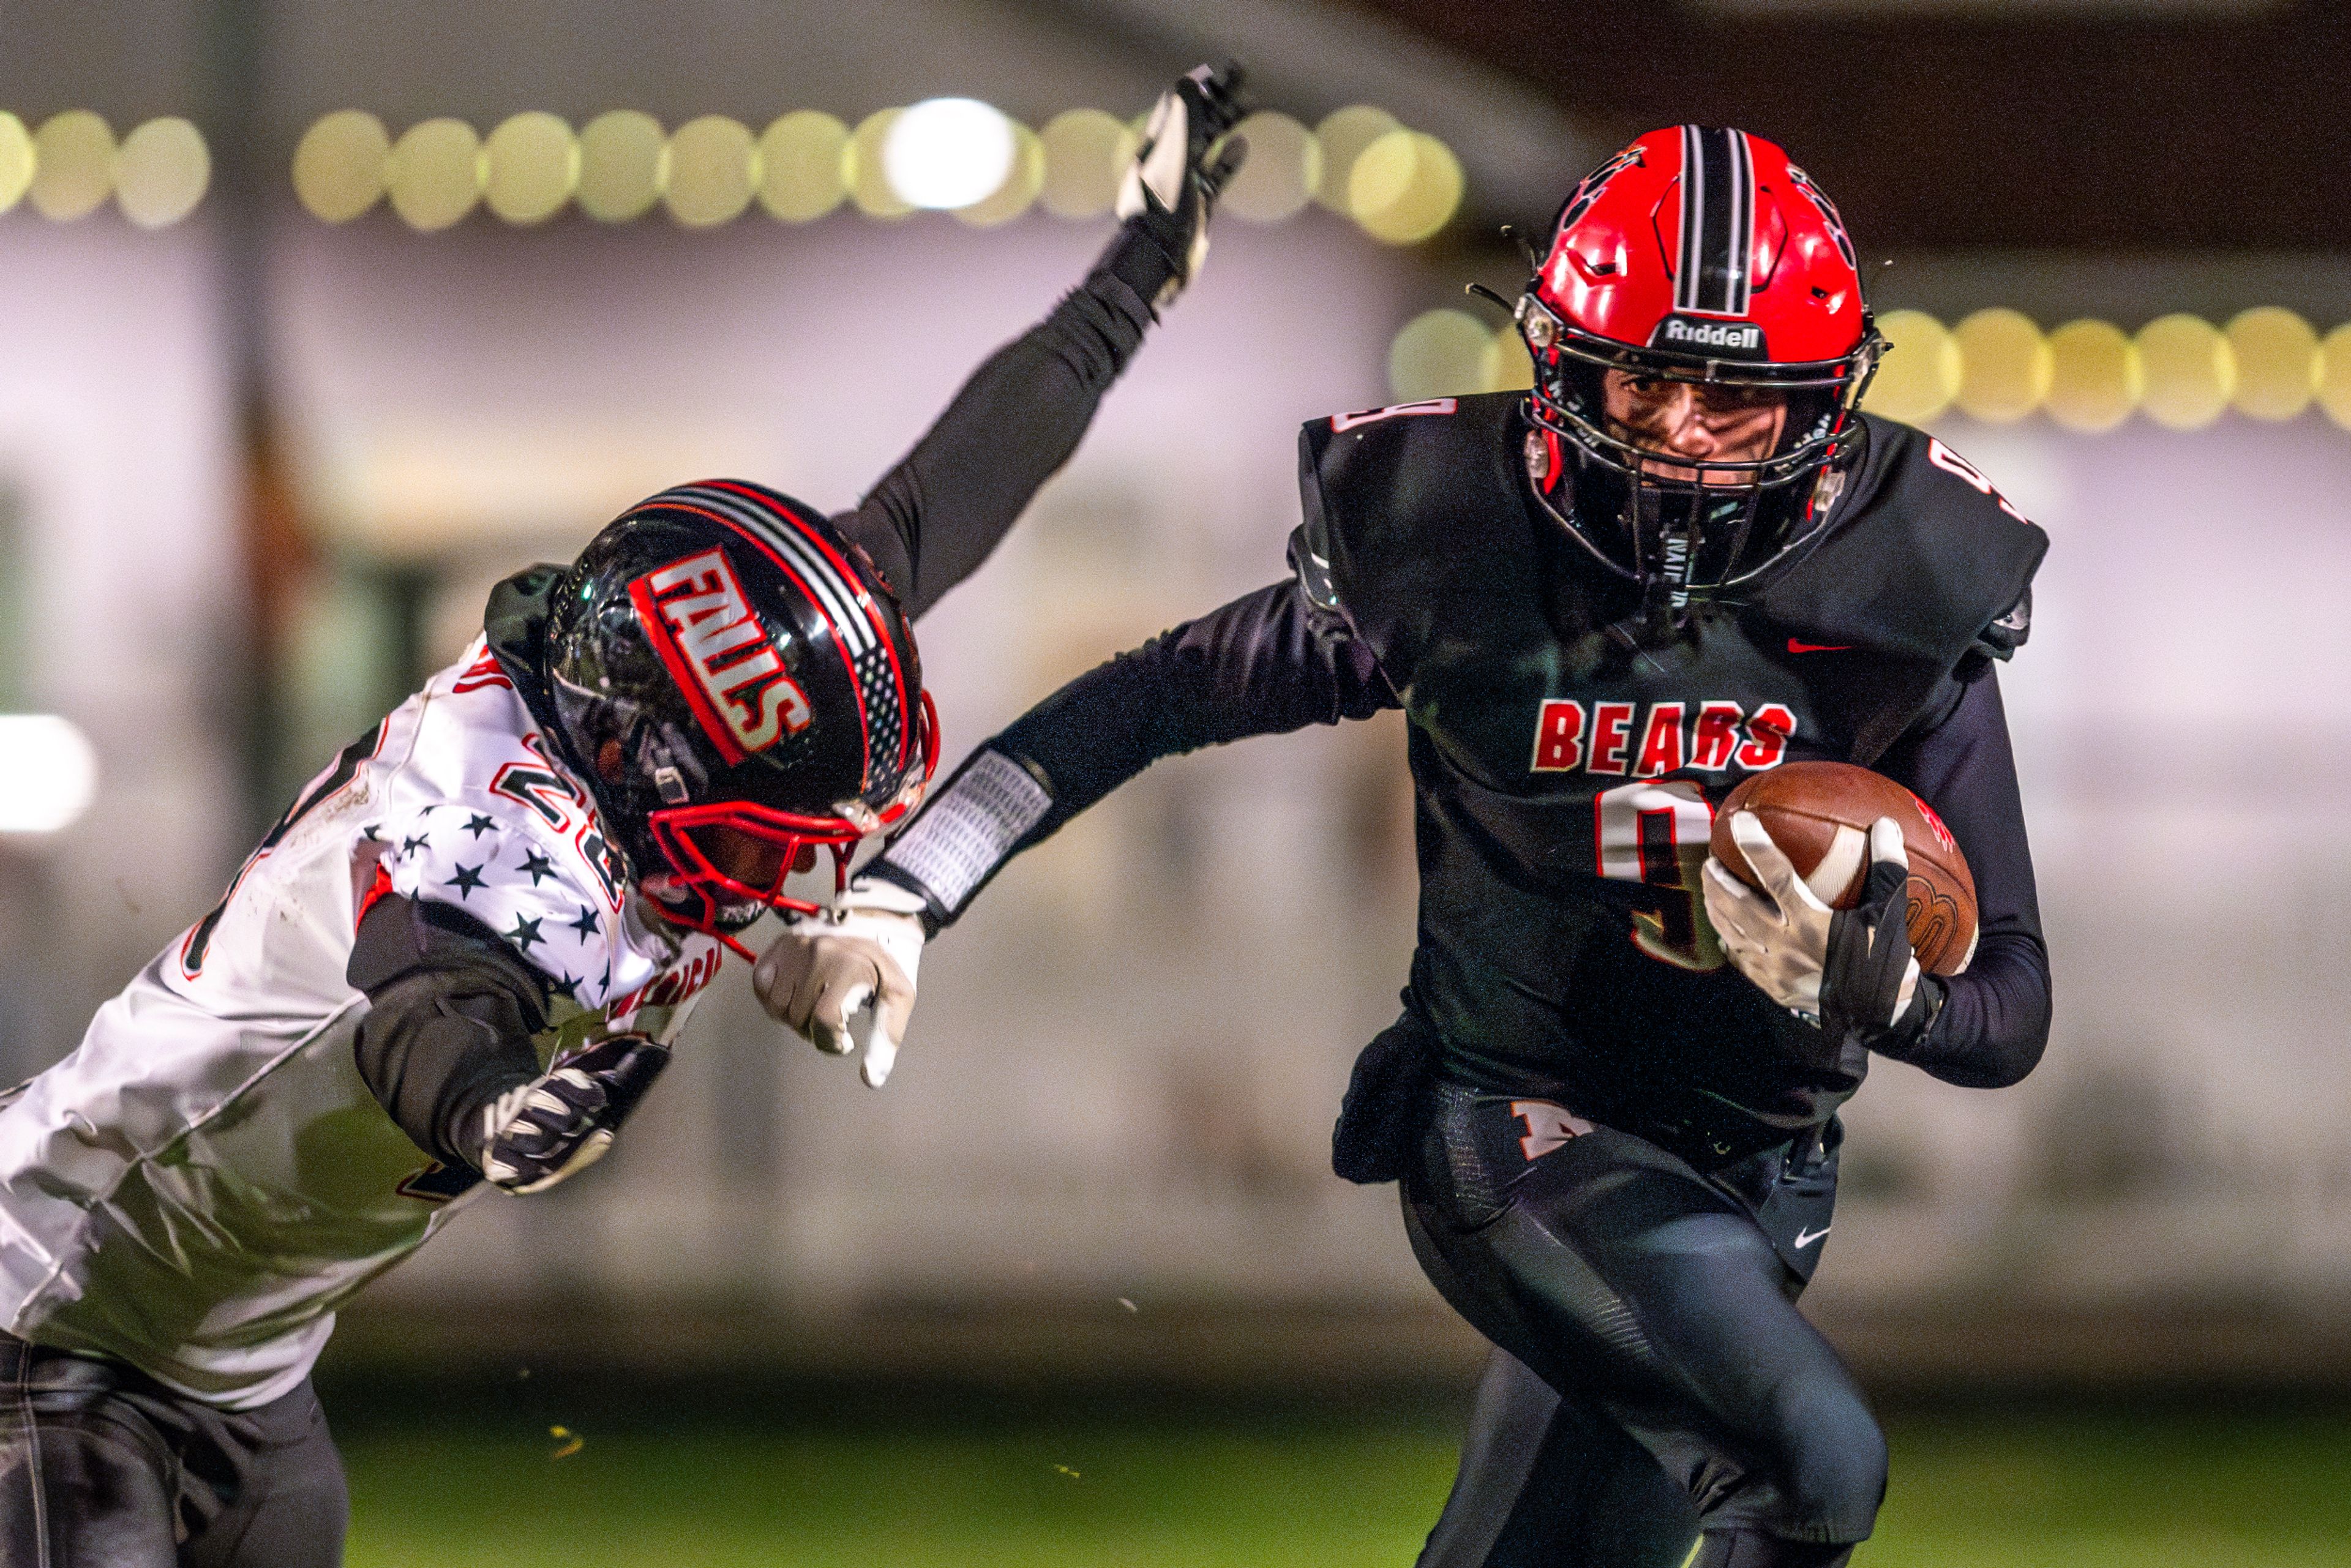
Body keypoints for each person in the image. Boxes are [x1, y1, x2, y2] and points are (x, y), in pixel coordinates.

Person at [0, 65, 1245, 1567]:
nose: (810, 862)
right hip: (50, 1316)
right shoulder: (491, 829)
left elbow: (946, 497)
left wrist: (1134, 279)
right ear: (654, 765)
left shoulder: (663, 697)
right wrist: (495, 1112)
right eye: (779, 826)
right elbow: (426, 994)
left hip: (244, 1362)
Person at [759, 125, 2052, 1568]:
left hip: (1764, 1166)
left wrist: (1893, 1001)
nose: (1682, 427)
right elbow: (1153, 696)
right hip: (1522, 1128)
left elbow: (2008, 1015)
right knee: (1814, 1465)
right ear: (1563, 366)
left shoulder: (1906, 575)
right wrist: (901, 891)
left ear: (1819, 399)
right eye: (1642, 378)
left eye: (1735, 394)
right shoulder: (1461, 534)